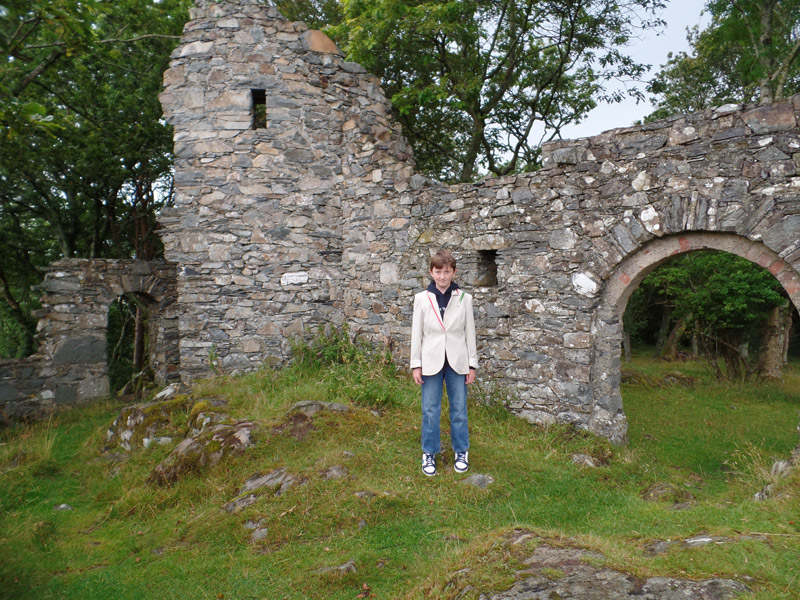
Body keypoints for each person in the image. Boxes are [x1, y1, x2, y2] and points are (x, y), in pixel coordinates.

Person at [410, 249, 478, 476]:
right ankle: (429, 452)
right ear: (431, 272)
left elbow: (470, 333)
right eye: (438, 272)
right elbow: (416, 334)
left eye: (446, 272)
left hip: (457, 362)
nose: (442, 277)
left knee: (459, 409)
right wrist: (416, 364)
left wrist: (472, 364)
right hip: (430, 361)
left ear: (454, 272)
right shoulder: (421, 299)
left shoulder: (464, 298)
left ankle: (461, 450)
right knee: (430, 409)